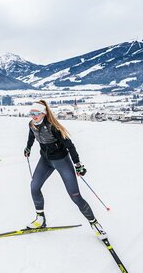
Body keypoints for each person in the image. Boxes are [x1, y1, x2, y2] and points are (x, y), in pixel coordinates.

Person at [23, 100, 106, 239]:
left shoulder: (53, 127)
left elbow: (70, 146)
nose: (33, 116)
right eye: (31, 113)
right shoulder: (31, 125)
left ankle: (95, 224)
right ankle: (40, 219)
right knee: (34, 187)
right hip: (45, 160)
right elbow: (31, 136)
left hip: (62, 161)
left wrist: (78, 165)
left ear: (43, 113)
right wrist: (28, 147)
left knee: (75, 195)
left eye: (36, 113)